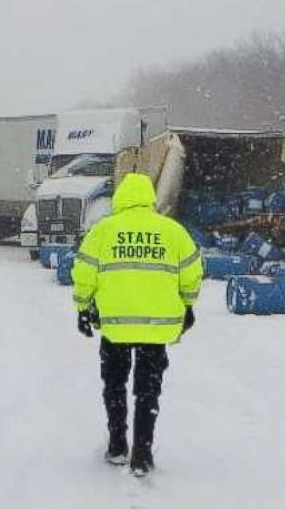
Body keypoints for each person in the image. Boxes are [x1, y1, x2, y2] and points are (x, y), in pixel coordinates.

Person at [71, 173, 203, 476]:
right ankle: (142, 452)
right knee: (148, 391)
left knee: (114, 385)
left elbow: (84, 271)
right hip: (156, 329)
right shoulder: (172, 231)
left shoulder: (103, 230)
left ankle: (117, 444)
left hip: (115, 327)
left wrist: (82, 307)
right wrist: (188, 304)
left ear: (120, 198)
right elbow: (192, 270)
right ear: (149, 197)